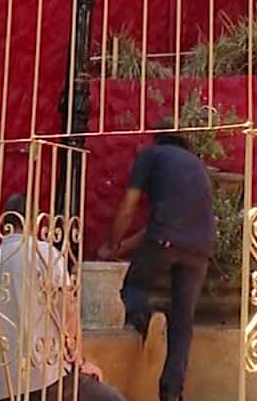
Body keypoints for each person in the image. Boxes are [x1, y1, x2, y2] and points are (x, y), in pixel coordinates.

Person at [99, 121, 215, 401]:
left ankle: (144, 319)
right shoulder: (196, 165)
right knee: (183, 321)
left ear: (158, 138)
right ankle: (172, 393)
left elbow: (129, 207)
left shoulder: (151, 155)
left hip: (165, 240)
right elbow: (157, 225)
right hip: (200, 248)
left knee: (133, 289)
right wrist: (122, 247)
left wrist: (113, 246)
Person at [0, 193, 124, 401]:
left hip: (5, 386)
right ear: (36, 221)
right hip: (48, 377)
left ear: (4, 221)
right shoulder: (45, 253)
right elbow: (67, 312)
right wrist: (80, 362)